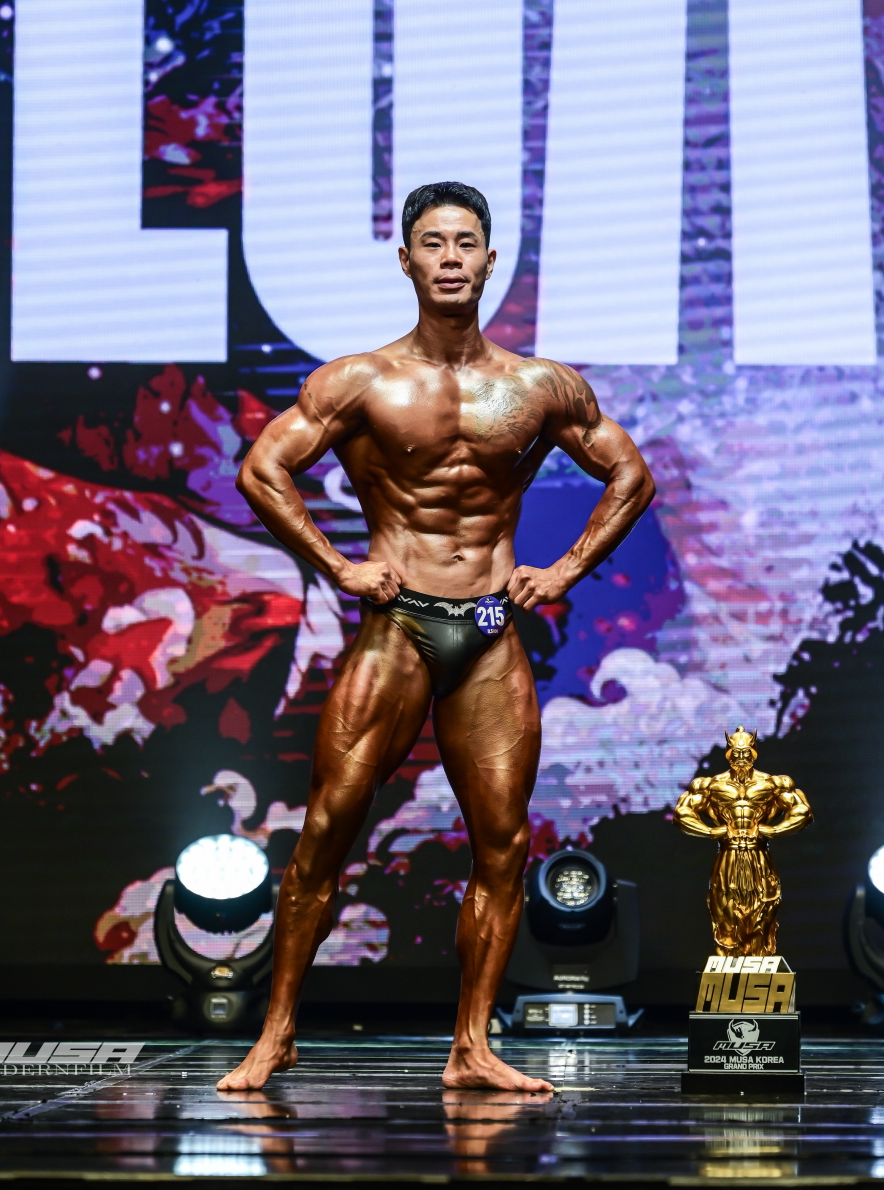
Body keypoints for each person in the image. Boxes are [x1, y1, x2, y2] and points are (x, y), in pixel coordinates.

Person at [218, 182, 655, 1092]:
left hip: (489, 629)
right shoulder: (362, 381)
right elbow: (262, 470)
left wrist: (565, 570)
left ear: (489, 262)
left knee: (503, 847)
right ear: (407, 260)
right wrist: (337, 564)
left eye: (465, 243)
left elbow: (630, 476)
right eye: (432, 242)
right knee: (327, 830)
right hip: (399, 626)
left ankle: (472, 1047)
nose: (450, 258)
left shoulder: (539, 386)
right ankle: (277, 1033)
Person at [673, 727, 813, 956]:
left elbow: (802, 811)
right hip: (728, 855)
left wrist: (775, 829)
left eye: (746, 753)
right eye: (736, 753)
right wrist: (711, 832)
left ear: (753, 752)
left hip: (758, 854)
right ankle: (729, 962)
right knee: (724, 911)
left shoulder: (773, 783)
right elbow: (682, 813)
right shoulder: (710, 785)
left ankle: (758, 960)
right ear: (728, 753)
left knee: (764, 908)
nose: (741, 758)